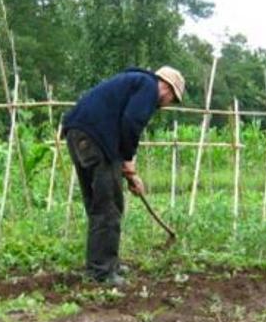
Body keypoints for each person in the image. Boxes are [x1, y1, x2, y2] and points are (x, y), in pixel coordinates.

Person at [63, 66, 185, 286]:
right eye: (172, 99)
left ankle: (104, 264)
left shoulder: (133, 82)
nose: (166, 104)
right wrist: (128, 161)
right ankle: (102, 272)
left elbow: (119, 126)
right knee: (109, 206)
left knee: (98, 204)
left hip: (78, 133)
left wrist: (128, 172)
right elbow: (131, 122)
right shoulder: (148, 86)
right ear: (166, 87)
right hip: (97, 139)